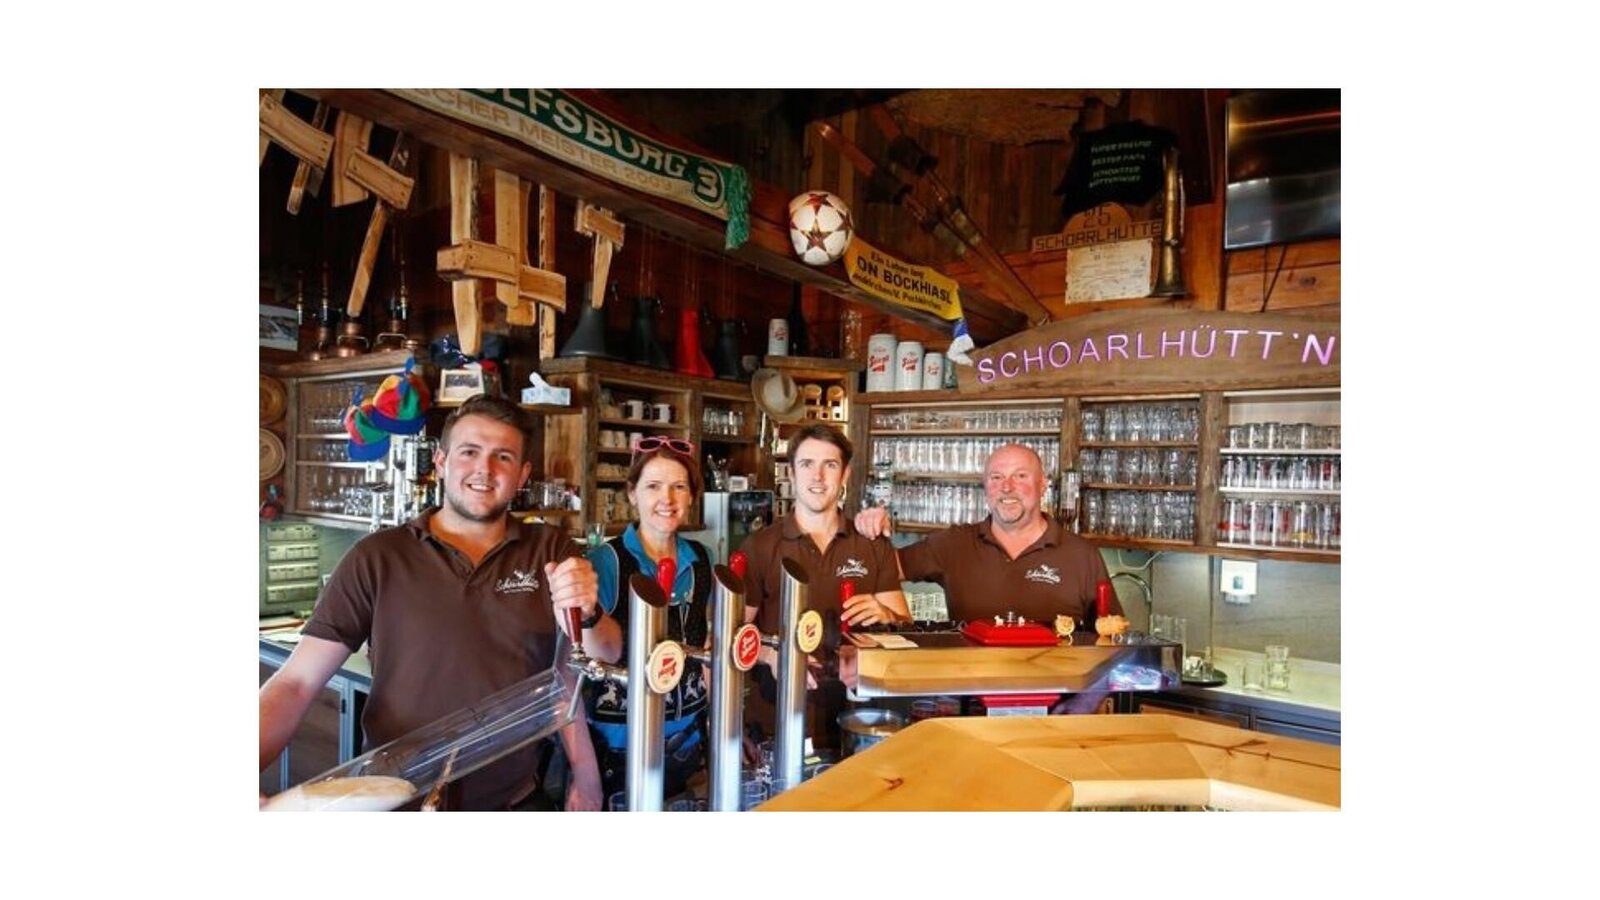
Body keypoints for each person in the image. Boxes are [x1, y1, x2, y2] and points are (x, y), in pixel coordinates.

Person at [259, 394, 608, 811]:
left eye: (503, 457)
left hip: (513, 801)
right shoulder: (378, 557)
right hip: (395, 802)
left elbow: (583, 668)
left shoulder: (550, 550)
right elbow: (296, 682)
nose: (485, 469)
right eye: (469, 452)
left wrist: (586, 774)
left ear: (523, 475)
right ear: (441, 463)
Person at [741, 423, 908, 752]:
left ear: (845, 475)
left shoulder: (873, 544)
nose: (817, 476)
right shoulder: (760, 547)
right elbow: (730, 636)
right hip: (776, 723)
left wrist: (887, 617)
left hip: (860, 722)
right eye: (806, 464)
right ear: (791, 473)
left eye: (829, 465)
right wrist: (773, 655)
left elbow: (906, 633)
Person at [854, 442, 1120, 628]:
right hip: (970, 690)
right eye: (996, 477)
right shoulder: (954, 544)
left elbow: (1111, 639)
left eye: (1020, 476)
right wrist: (869, 531)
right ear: (985, 487)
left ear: (1043, 485)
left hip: (1055, 692)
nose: (1007, 487)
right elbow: (874, 568)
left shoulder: (1081, 555)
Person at [581, 436, 715, 806]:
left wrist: (725, 726)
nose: (666, 499)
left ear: (692, 496)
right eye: (653, 486)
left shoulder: (703, 558)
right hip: (620, 748)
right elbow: (582, 666)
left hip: (689, 744)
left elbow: (708, 650)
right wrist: (583, 772)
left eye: (679, 487)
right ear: (632, 493)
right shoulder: (605, 562)